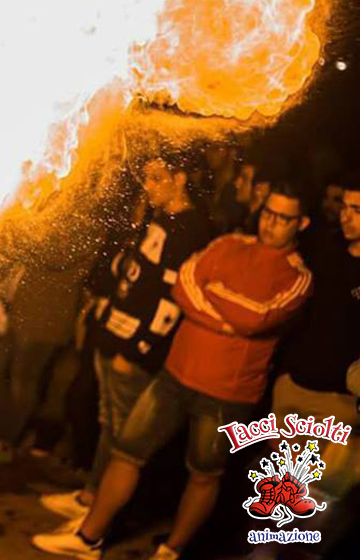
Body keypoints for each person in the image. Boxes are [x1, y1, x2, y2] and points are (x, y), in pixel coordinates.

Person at [33, 182, 313, 560]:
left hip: (226, 395)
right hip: (174, 375)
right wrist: (227, 311)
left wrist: (212, 296)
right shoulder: (230, 243)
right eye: (268, 213)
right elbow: (185, 283)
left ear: (303, 223)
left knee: (203, 474)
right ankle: (89, 538)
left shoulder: (297, 276)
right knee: (127, 450)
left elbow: (256, 318)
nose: (271, 223)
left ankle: (170, 550)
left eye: (284, 219)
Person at [40, 154, 212, 510]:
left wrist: (137, 349)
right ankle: (90, 495)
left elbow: (171, 299)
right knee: (108, 423)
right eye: (146, 177)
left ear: (179, 178)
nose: (147, 186)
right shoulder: (162, 218)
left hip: (131, 347)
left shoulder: (190, 229)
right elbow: (135, 272)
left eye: (156, 178)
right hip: (114, 332)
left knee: (122, 432)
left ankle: (99, 510)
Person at [269, 172, 360, 555]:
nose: (346, 216)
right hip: (294, 389)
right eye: (345, 206)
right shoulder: (324, 249)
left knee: (319, 515)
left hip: (338, 405)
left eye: (358, 210)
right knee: (280, 506)